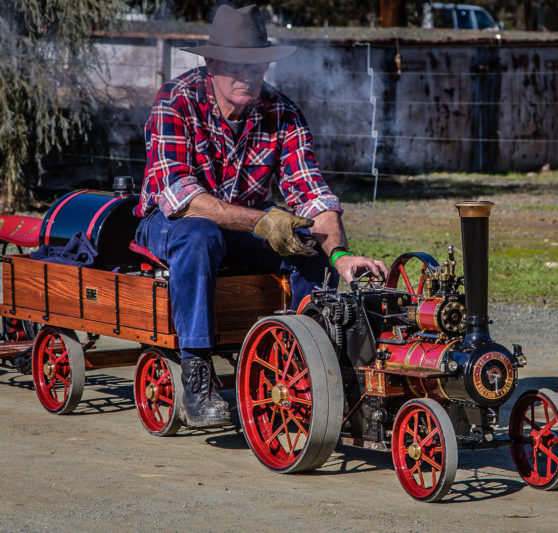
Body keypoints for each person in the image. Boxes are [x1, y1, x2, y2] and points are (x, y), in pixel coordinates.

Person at [134, 4, 389, 428]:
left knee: (309, 248)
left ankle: (310, 365)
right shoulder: (175, 101)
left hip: (239, 228)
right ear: (211, 63)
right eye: (235, 66)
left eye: (256, 66)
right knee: (199, 235)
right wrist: (262, 221)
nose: (247, 76)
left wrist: (341, 257)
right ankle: (197, 371)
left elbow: (311, 194)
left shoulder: (282, 112)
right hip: (169, 224)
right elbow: (181, 196)